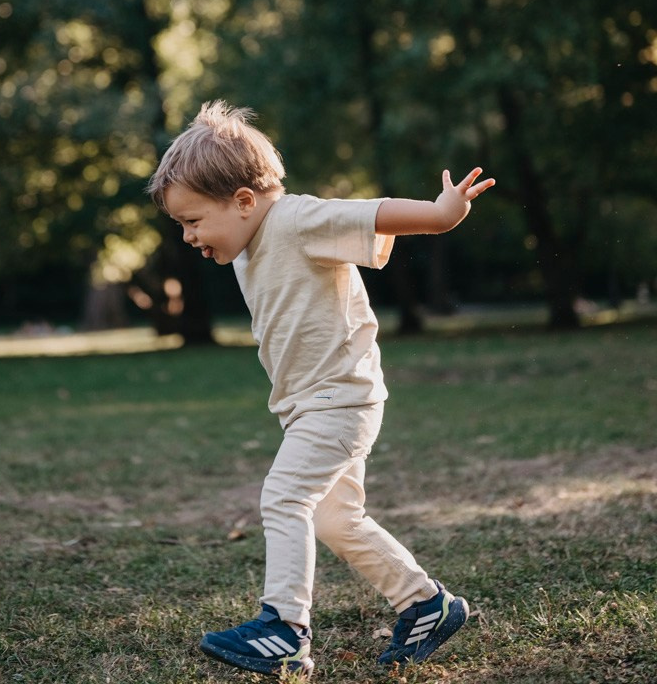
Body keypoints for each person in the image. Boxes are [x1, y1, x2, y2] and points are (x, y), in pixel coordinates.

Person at [147, 100, 495, 678]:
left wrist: (440, 214)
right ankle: (425, 602)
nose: (186, 236)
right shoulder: (246, 239)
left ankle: (285, 627)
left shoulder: (294, 219)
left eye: (192, 221)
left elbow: (371, 214)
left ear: (243, 202)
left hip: (340, 399)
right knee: (335, 519)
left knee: (284, 497)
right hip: (311, 405)